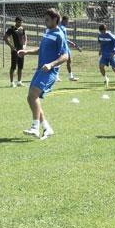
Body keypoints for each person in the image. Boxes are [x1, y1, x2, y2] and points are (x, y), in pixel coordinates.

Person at [17, 8, 68, 140]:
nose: (45, 22)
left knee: (33, 95)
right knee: (30, 98)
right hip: (40, 69)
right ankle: (46, 127)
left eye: (47, 20)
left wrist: (51, 64)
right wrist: (27, 52)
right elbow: (41, 49)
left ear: (55, 19)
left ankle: (35, 127)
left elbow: (65, 56)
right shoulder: (47, 32)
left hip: (49, 71)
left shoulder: (59, 34)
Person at [97, 24, 115, 88]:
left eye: (102, 31)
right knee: (101, 67)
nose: (101, 32)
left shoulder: (110, 35)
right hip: (104, 55)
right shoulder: (100, 35)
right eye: (100, 31)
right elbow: (101, 43)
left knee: (114, 69)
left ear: (105, 30)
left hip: (111, 55)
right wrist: (100, 50)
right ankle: (106, 78)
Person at [4, 16, 27, 87]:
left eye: (21, 22)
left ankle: (19, 82)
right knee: (13, 66)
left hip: (21, 50)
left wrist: (25, 45)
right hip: (14, 51)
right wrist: (11, 46)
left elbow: (25, 37)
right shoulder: (11, 29)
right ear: (16, 22)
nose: (20, 23)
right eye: (19, 22)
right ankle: (12, 83)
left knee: (20, 66)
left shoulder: (22, 29)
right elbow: (5, 38)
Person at [58, 15, 80, 81]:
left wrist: (72, 43)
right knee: (59, 61)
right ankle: (56, 76)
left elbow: (65, 38)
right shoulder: (61, 28)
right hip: (63, 47)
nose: (68, 22)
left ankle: (70, 76)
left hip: (66, 46)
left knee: (69, 60)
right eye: (67, 21)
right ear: (64, 20)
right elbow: (61, 38)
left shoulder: (63, 27)